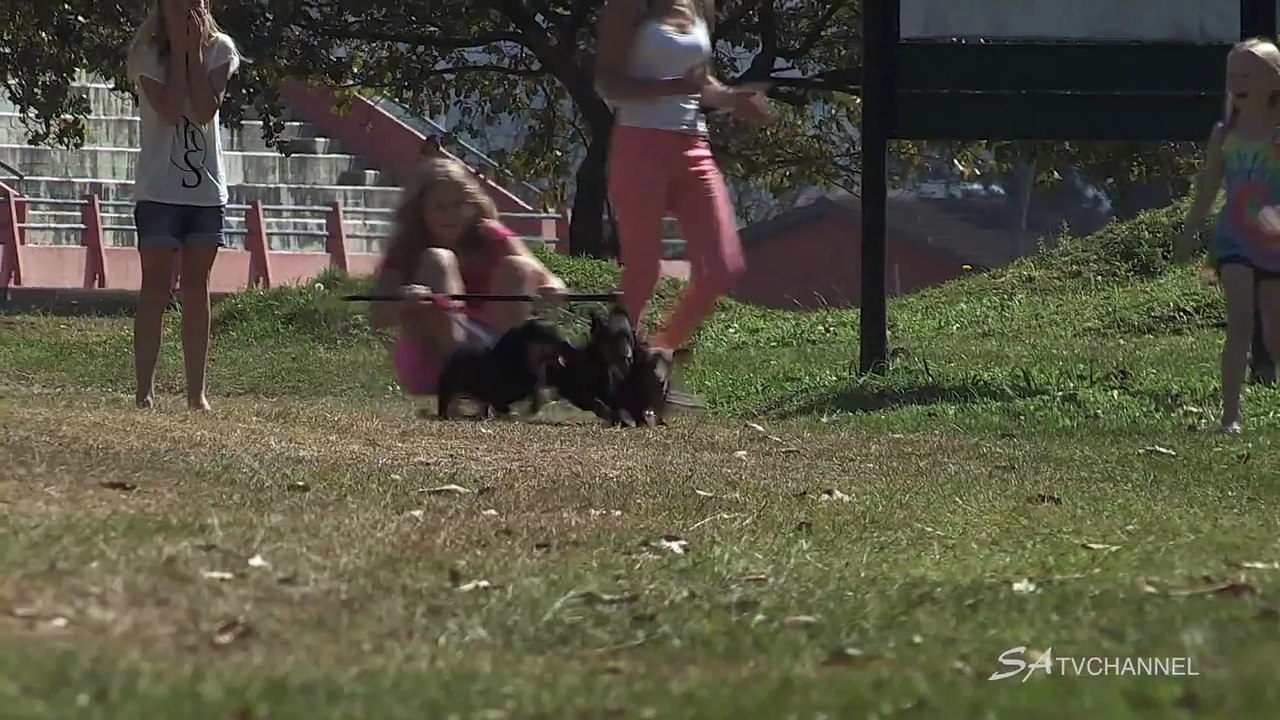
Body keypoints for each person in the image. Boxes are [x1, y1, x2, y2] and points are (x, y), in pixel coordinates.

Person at [595, 0, 774, 360]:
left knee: (722, 267)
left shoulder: (698, 5)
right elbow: (608, 85)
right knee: (643, 271)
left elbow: (701, 82)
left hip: (693, 145)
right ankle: (608, 363)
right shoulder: (626, 7)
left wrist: (733, 99)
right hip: (638, 143)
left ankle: (658, 350)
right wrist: (677, 86)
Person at [369, 156, 569, 399]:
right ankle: (462, 378)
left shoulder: (491, 235)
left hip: (489, 353)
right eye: (439, 206)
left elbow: (548, 278)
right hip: (434, 358)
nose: (450, 214)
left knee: (518, 267)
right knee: (438, 259)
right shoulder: (406, 246)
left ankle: (508, 373)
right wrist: (404, 301)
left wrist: (552, 289)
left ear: (472, 204)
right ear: (420, 209)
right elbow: (377, 314)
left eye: (458, 204)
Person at [127, 0, 240, 410]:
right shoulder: (145, 53)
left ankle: (197, 394)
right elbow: (172, 110)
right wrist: (177, 51)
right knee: (155, 290)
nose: (185, 8)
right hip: (158, 191)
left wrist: (193, 55)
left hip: (205, 193)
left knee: (197, 289)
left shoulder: (222, 50)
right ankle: (145, 392)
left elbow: (207, 109)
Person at [1177, 37, 1280, 433]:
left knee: (1274, 333)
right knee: (1239, 322)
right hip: (1236, 239)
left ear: (1273, 82)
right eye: (1232, 73)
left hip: (1275, 239)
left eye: (1247, 73)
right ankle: (1230, 416)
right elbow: (1209, 188)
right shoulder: (1224, 133)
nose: (1236, 80)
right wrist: (1190, 230)